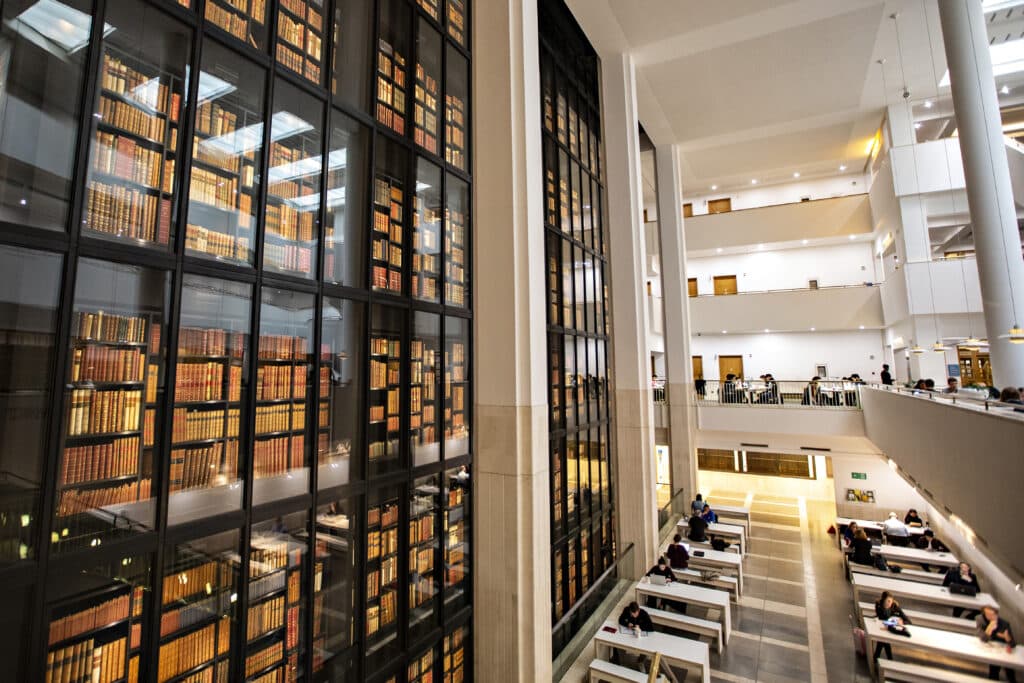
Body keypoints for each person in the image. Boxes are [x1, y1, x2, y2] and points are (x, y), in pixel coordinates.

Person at [976, 605, 1017, 681]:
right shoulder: (980, 620)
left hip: (1003, 650)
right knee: (994, 671)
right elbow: (983, 638)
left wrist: (1007, 638)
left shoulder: (1004, 624)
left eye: (993, 614)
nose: (992, 617)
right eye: (988, 615)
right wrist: (989, 629)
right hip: (991, 649)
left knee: (1009, 670)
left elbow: (1013, 643)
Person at [873, 591, 911, 661]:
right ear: (883, 600)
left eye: (890, 601)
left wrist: (900, 621)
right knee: (883, 640)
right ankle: (886, 659)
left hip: (890, 629)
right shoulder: (879, 605)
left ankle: (877, 658)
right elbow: (881, 618)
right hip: (882, 629)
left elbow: (908, 621)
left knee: (882, 640)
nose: (889, 603)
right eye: (887, 601)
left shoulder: (894, 606)